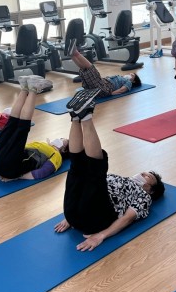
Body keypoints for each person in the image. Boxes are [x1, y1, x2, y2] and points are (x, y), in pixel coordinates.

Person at [54, 88, 165, 251]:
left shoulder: (144, 197)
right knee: (77, 164)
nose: (141, 174)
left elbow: (127, 219)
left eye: (146, 176)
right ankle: (76, 117)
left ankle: (86, 115)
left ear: (150, 189)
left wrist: (101, 236)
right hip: (73, 212)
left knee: (96, 166)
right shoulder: (124, 179)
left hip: (96, 218)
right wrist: (70, 217)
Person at [0, 75, 69, 182]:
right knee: (12, 123)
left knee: (23, 127)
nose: (61, 138)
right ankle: (25, 88)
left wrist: (16, 177)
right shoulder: (45, 146)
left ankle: (33, 89)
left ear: (64, 149)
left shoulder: (57, 156)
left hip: (9, 167)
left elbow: (42, 172)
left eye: (64, 140)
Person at [65, 40, 141, 97]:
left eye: (132, 75)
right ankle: (72, 55)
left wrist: (111, 93)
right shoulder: (122, 78)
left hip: (104, 87)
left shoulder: (129, 82)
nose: (129, 74)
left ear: (134, 81)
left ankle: (75, 53)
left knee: (91, 68)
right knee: (84, 70)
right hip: (102, 84)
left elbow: (123, 89)